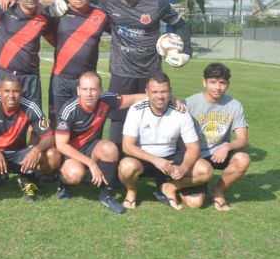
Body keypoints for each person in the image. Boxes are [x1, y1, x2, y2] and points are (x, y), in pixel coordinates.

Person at [96, 0, 193, 153]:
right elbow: (84, 1)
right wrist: (63, 1)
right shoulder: (109, 2)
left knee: (156, 114)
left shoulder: (156, 3)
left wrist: (186, 51)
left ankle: (161, 158)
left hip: (150, 71)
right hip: (121, 71)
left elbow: (180, 24)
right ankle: (115, 163)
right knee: (118, 118)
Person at [55, 71, 152, 215]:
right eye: (85, 89)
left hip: (92, 147)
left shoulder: (107, 99)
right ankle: (63, 184)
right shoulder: (69, 109)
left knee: (110, 148)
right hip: (71, 152)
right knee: (75, 174)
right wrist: (91, 163)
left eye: (93, 89)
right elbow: (61, 145)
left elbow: (133, 99)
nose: (89, 94)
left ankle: (106, 195)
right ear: (78, 91)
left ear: (100, 90)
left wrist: (163, 97)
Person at [118, 72, 212, 211]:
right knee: (126, 167)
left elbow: (193, 148)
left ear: (170, 92)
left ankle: (170, 187)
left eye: (164, 91)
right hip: (144, 159)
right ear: (147, 92)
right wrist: (156, 160)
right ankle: (131, 190)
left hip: (171, 158)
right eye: (155, 92)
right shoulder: (136, 110)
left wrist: (183, 168)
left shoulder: (181, 112)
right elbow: (127, 146)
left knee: (206, 170)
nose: (160, 96)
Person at [0, 74, 60, 202]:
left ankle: (29, 179)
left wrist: (36, 150)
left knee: (53, 155)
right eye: (7, 91)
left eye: (15, 91)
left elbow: (49, 137)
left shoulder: (30, 106)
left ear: (21, 92)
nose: (11, 95)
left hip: (19, 155)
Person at [181, 63, 250, 211]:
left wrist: (227, 146)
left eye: (222, 83)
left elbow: (243, 139)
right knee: (195, 204)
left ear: (228, 84)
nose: (217, 87)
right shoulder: (189, 103)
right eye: (212, 82)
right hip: (195, 156)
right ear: (204, 82)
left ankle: (218, 191)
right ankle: (178, 183)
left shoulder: (235, 105)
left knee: (243, 159)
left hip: (218, 154)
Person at [47, 0, 109, 124]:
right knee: (58, 122)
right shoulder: (58, 13)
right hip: (60, 79)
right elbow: (37, 17)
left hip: (87, 82)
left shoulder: (101, 15)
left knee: (84, 123)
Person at [0, 0, 54, 105]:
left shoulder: (45, 17)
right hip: (5, 74)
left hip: (31, 77)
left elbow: (54, 39)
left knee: (32, 116)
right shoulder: (5, 8)